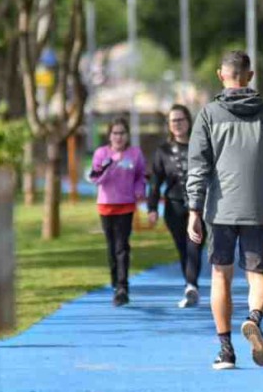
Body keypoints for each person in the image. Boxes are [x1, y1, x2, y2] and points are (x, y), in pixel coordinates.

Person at [186, 50, 263, 370]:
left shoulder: (208, 115)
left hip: (219, 212)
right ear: (251, 75)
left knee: (221, 276)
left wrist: (193, 208)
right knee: (259, 277)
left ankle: (225, 350)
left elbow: (198, 166)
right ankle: (254, 319)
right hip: (259, 210)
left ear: (221, 75)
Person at [147, 104, 205, 308]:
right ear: (169, 125)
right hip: (174, 208)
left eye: (181, 120)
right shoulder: (163, 152)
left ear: (189, 121)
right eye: (173, 121)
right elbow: (155, 181)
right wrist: (152, 208)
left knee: (194, 246)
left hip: (199, 208)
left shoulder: (201, 146)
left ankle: (191, 285)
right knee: (183, 249)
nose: (177, 124)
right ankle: (190, 285)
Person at [87, 117, 146, 307]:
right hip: (106, 205)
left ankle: (122, 287)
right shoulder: (101, 153)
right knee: (111, 248)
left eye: (122, 133)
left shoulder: (135, 154)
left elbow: (140, 176)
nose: (118, 137)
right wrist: (108, 166)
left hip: (126, 205)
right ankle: (115, 283)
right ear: (109, 135)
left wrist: (139, 191)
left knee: (122, 247)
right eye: (115, 133)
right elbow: (95, 179)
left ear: (127, 135)